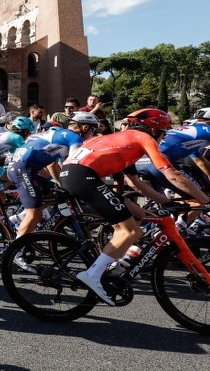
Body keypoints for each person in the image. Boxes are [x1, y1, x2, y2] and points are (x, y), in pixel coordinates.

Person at [61, 108, 210, 305]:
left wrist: (167, 202)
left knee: (139, 215)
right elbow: (173, 175)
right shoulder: (142, 138)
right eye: (163, 132)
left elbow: (135, 183)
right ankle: (93, 274)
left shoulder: (124, 139)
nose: (164, 137)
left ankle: (117, 264)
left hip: (76, 175)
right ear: (155, 130)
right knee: (130, 231)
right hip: (83, 177)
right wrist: (206, 201)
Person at [6, 111, 97, 269]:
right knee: (35, 214)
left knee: (52, 191)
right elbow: (75, 165)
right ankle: (15, 252)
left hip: (24, 168)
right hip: (24, 169)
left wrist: (61, 184)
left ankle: (19, 218)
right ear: (85, 127)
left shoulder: (60, 134)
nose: (93, 134)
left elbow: (54, 165)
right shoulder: (75, 138)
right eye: (93, 130)